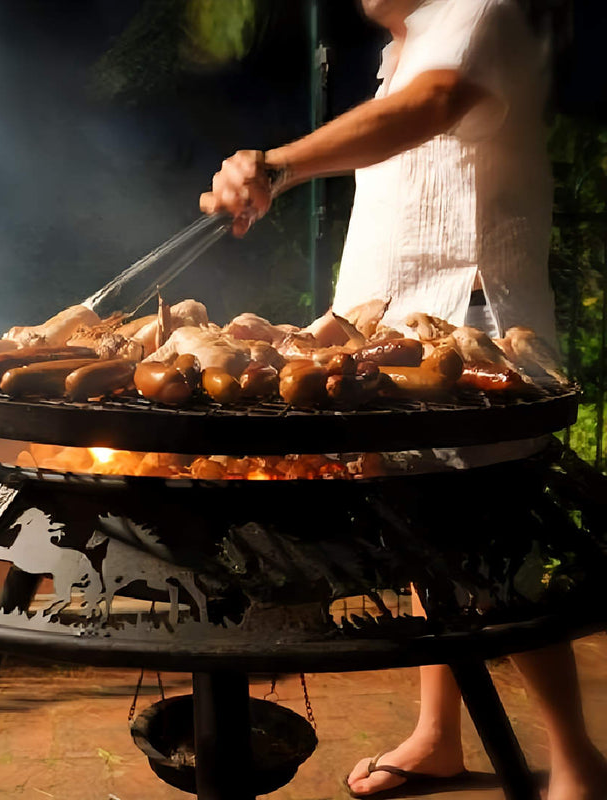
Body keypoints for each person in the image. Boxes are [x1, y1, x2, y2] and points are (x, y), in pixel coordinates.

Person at [199, 1, 607, 798]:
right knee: (421, 534)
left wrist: (277, 164)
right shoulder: (403, 47)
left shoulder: (480, 9)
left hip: (470, 324)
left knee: (493, 548)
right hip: (388, 335)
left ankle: (576, 761)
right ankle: (437, 737)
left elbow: (430, 107)